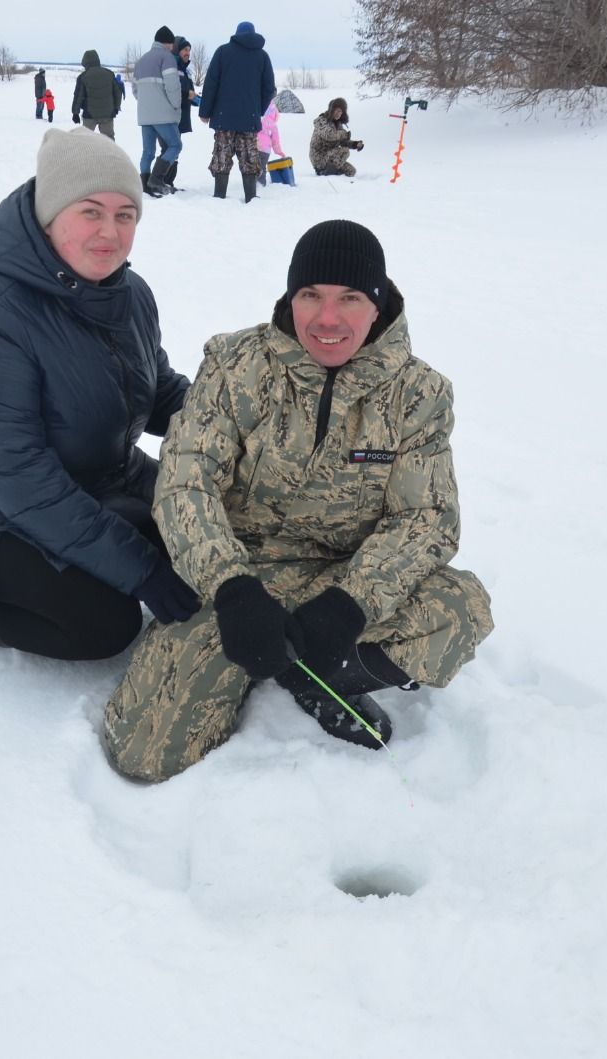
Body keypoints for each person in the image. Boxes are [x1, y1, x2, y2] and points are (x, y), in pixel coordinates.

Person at [103, 219, 494, 782]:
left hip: (343, 577)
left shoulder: (419, 394)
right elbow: (186, 481)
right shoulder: (237, 364)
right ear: (291, 296)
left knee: (461, 610)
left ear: (377, 306)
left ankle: (319, 673)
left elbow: (426, 518)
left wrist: (351, 604)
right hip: (236, 581)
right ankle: (237, 653)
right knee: (142, 756)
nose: (327, 318)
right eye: (310, 295)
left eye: (349, 298)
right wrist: (232, 589)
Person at [0, 129, 198, 666]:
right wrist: (141, 568)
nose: (110, 233)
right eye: (91, 212)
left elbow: (158, 391)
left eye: (126, 214)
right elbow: (19, 478)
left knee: (200, 540)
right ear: (48, 215)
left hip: (94, 472)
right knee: (101, 624)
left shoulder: (129, 295)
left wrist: (232, 423)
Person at [198, 21, 276, 203]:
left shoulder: (223, 52)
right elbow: (269, 89)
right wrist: (257, 110)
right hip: (249, 119)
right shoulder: (262, 56)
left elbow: (211, 84)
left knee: (222, 156)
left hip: (223, 118)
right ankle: (250, 197)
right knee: (249, 157)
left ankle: (219, 196)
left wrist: (205, 111)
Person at [133, 26, 183, 197]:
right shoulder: (167, 57)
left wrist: (146, 103)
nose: (172, 47)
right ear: (167, 43)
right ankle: (156, 178)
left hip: (145, 115)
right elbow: (173, 86)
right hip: (163, 114)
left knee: (148, 151)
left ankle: (145, 183)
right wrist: (176, 105)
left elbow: (135, 90)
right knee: (175, 145)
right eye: (171, 44)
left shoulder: (141, 61)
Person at [168, 36, 197, 193]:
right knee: (170, 148)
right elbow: (171, 90)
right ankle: (163, 182)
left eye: (189, 50)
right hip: (171, 115)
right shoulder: (172, 67)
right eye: (185, 50)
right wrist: (187, 94)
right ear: (177, 50)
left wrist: (197, 100)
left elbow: (189, 92)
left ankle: (168, 183)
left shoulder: (185, 70)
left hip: (181, 115)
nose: (188, 53)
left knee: (175, 149)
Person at [72, 49, 121, 139]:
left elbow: (78, 96)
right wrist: (116, 107)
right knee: (109, 139)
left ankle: (86, 153)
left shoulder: (83, 77)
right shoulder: (109, 74)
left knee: (85, 139)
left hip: (89, 115)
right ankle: (110, 153)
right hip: (107, 114)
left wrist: (75, 113)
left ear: (85, 62)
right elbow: (117, 92)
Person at [310, 98, 364, 177]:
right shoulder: (321, 121)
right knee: (345, 151)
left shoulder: (338, 124)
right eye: (337, 110)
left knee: (351, 171)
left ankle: (332, 172)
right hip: (319, 157)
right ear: (331, 110)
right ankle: (323, 171)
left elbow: (342, 141)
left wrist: (355, 144)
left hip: (331, 157)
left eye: (341, 112)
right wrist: (344, 134)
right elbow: (329, 135)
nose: (339, 113)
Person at [255, 100, 284, 186]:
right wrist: (279, 152)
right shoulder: (272, 125)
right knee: (262, 167)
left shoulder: (257, 118)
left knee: (252, 166)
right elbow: (275, 141)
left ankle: (251, 183)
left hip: (253, 146)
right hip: (265, 150)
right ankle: (261, 184)